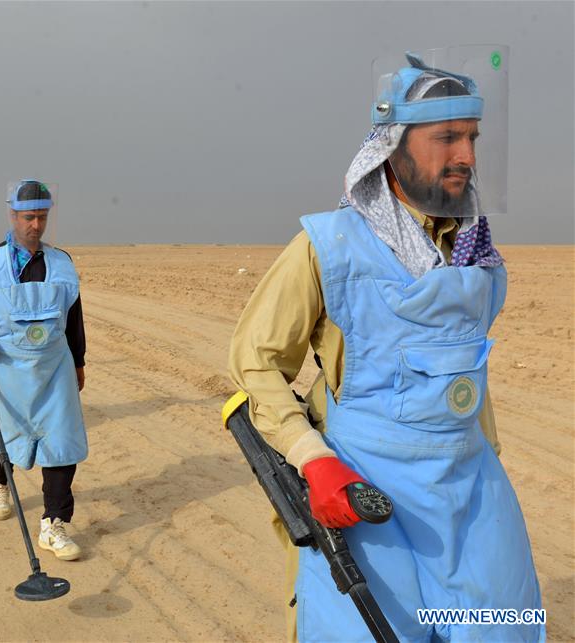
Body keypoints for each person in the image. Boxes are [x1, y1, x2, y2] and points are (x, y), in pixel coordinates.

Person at [228, 48, 542, 641]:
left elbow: (465, 365)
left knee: (500, 628)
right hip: (368, 493)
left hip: (472, 491)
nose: (467, 156)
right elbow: (256, 362)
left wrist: (485, 455)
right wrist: (312, 459)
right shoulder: (329, 246)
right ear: (393, 146)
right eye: (447, 137)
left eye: (472, 137)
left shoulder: (475, 250)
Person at [0, 180, 87, 561]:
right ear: (13, 216)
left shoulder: (61, 262)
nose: (36, 225)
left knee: (62, 443)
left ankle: (53, 523)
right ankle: (1, 483)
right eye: (29, 217)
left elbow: (74, 317)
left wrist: (78, 362)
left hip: (54, 368)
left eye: (42, 217)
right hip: (7, 367)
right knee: (5, 435)